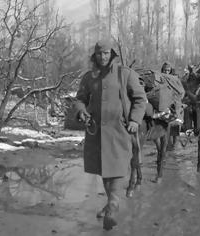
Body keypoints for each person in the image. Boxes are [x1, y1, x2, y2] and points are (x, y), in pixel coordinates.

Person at [73, 39, 147, 230]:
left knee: (119, 169)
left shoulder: (125, 74)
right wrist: (81, 111)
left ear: (112, 54)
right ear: (95, 56)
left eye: (106, 53)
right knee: (104, 171)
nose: (103, 57)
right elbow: (80, 98)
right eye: (99, 54)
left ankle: (112, 208)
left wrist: (134, 120)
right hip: (96, 132)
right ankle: (111, 202)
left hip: (119, 130)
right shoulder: (89, 77)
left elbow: (140, 98)